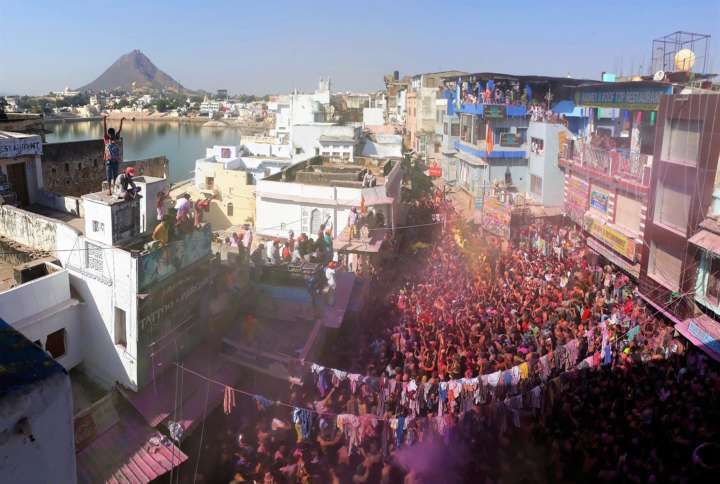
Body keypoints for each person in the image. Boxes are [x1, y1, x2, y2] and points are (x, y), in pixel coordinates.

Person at [103, 115, 125, 195]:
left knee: (115, 176)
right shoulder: (106, 139)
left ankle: (115, 189)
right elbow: (104, 130)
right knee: (109, 177)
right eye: (110, 134)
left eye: (112, 134)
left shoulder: (116, 138)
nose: (111, 136)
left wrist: (121, 121)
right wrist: (104, 120)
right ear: (109, 134)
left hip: (115, 161)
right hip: (109, 161)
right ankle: (109, 190)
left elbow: (120, 130)